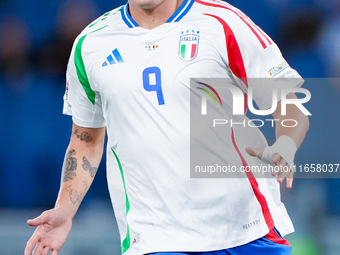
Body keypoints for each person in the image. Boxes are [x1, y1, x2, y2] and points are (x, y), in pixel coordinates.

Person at [25, 0, 310, 254]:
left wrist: (285, 144)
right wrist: (64, 209)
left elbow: (289, 104)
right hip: (155, 237)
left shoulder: (224, 23)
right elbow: (85, 140)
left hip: (245, 226)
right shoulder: (90, 44)